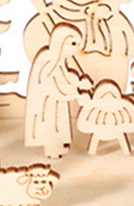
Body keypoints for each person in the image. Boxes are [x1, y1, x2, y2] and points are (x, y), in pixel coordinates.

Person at [25, 24, 91, 158]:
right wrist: (76, 94)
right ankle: (52, 150)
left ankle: (58, 145)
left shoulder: (59, 60)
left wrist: (79, 83)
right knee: (50, 124)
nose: (78, 48)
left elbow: (65, 77)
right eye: (73, 44)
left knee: (58, 122)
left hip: (57, 102)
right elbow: (55, 86)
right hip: (48, 103)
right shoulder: (48, 61)